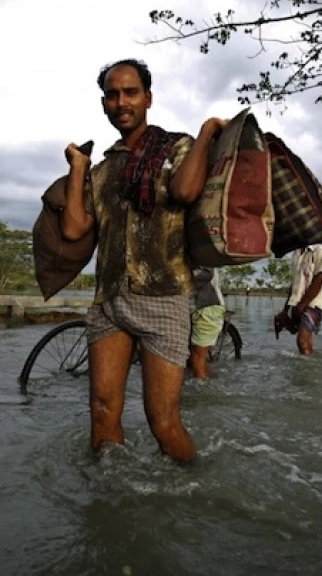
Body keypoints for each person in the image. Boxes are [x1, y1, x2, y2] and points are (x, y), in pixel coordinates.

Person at [61, 58, 226, 464]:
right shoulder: (102, 170)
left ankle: (197, 488)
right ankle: (107, 508)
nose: (122, 102)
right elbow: (74, 229)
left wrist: (206, 133)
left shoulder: (177, 147)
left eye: (130, 92)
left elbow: (186, 192)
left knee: (163, 424)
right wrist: (79, 168)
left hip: (164, 297)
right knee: (101, 415)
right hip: (110, 300)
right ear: (104, 104)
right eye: (112, 95)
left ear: (147, 98)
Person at [274, 244, 322, 355]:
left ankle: (305, 370)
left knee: (302, 341)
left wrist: (302, 304)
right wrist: (286, 309)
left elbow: (319, 280)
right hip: (296, 302)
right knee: (306, 340)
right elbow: (295, 283)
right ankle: (310, 366)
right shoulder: (296, 253)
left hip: (313, 302)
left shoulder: (320, 251)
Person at [188, 267, 226, 380]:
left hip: (207, 308)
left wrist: (177, 278)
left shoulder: (202, 253)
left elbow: (206, 273)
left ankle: (201, 391)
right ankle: (206, 381)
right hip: (197, 308)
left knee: (197, 357)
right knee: (195, 357)